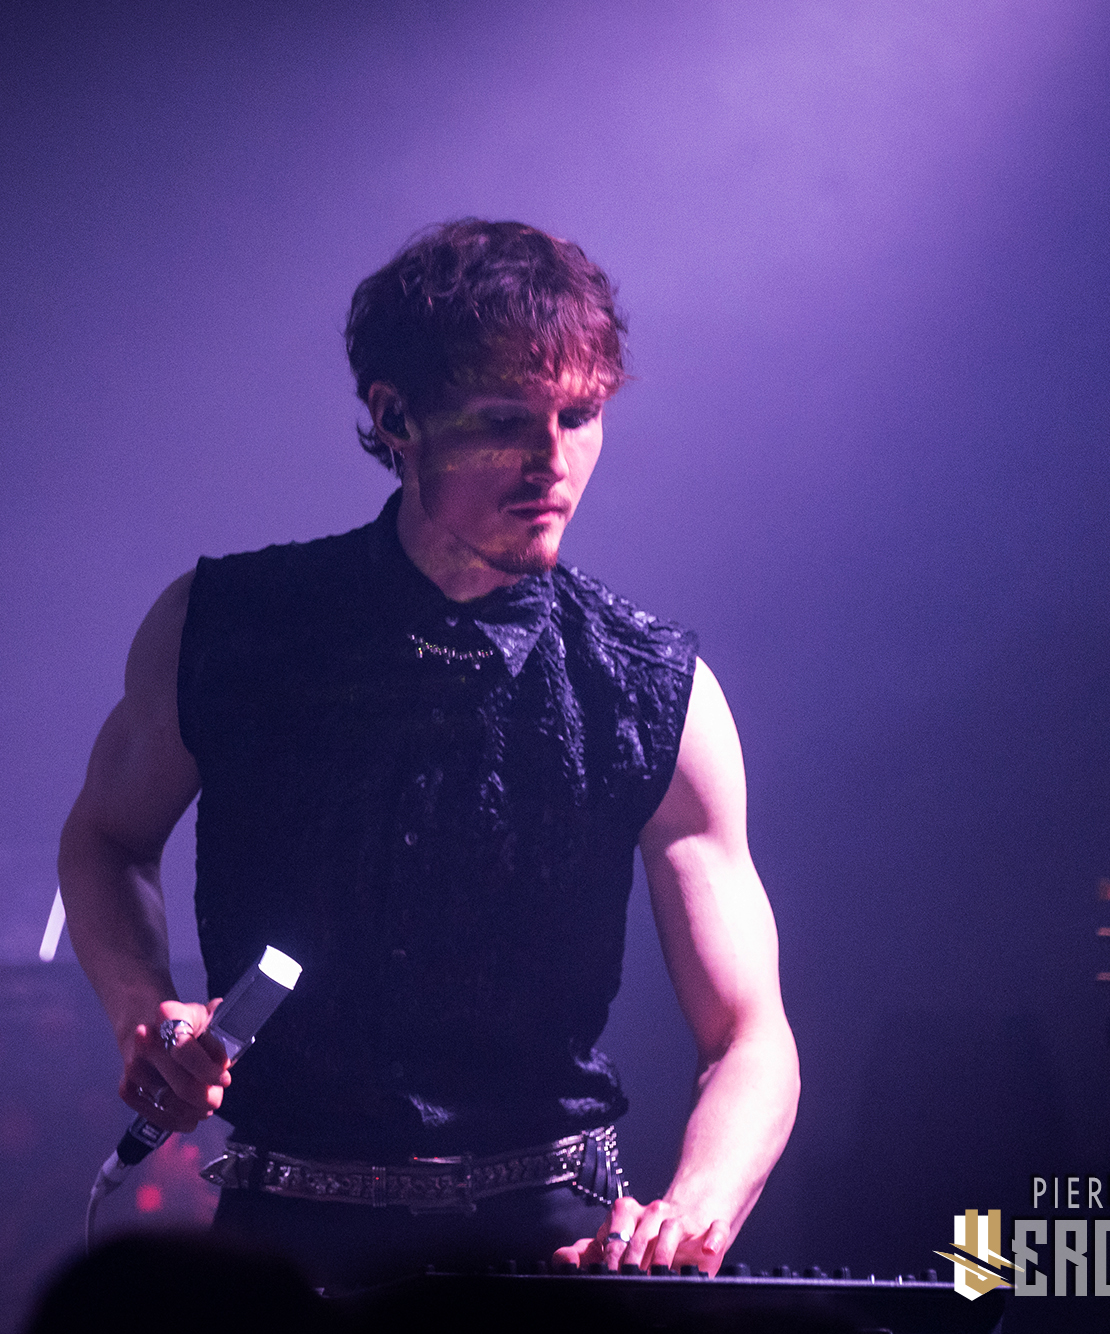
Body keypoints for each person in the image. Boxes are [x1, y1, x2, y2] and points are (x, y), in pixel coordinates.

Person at [58, 219, 798, 1290]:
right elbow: (105, 838)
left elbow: (749, 1034)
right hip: (283, 1241)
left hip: (552, 1249)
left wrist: (692, 1209)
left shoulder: (654, 687)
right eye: (504, 421)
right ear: (394, 417)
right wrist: (142, 1007)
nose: (553, 462)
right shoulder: (228, 627)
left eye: (580, 416)